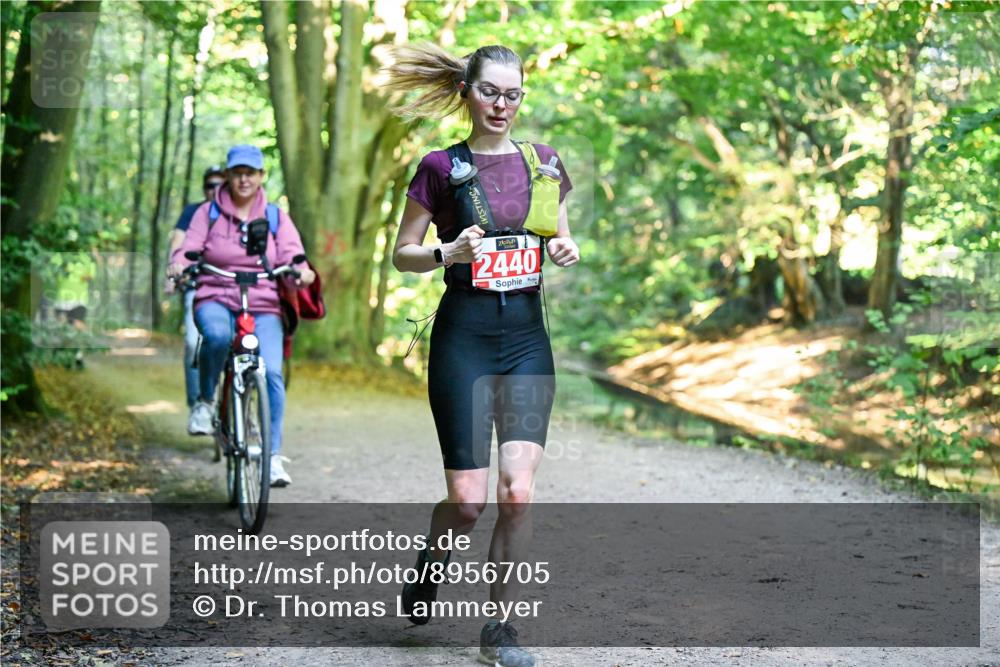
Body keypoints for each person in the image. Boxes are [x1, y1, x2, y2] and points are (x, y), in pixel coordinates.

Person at [387, 43, 580, 667]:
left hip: (527, 340)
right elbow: (403, 253)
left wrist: (564, 249)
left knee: (517, 493)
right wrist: (449, 253)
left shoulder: (545, 163)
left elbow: (560, 232)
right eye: (491, 92)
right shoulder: (440, 167)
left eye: (514, 94)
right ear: (468, 92)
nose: (503, 104)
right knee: (468, 502)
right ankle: (431, 564)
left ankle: (500, 631)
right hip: (463, 339)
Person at [168, 145, 315, 487]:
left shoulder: (276, 215)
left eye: (251, 172)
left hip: (263, 303)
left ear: (261, 176)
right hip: (216, 295)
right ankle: (205, 403)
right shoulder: (209, 213)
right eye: (238, 172)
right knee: (216, 337)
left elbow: (294, 253)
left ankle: (273, 456)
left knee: (273, 373)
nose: (244, 179)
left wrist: (301, 270)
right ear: (229, 175)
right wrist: (180, 264)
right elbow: (189, 248)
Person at [166, 165, 226, 412]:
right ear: (204, 189)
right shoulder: (194, 212)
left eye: (219, 184)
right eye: (210, 185)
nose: (215, 190)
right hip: (197, 285)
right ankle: (197, 404)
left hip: (233, 288)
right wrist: (172, 273)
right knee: (193, 343)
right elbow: (178, 244)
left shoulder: (238, 212)